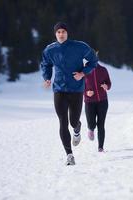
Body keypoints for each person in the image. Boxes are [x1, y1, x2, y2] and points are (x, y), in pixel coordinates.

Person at [40, 22, 98, 165]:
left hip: (76, 89)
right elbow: (45, 64)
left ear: (67, 33)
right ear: (55, 34)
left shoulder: (80, 46)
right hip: (59, 90)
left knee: (73, 121)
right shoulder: (50, 50)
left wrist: (83, 73)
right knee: (62, 122)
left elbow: (93, 61)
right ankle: (69, 155)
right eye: (58, 32)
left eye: (63, 31)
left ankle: (77, 128)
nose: (61, 34)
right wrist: (47, 78)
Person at [84, 58, 111, 152]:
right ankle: (91, 129)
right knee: (91, 123)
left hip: (102, 101)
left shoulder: (103, 70)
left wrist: (106, 86)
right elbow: (79, 86)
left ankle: (100, 147)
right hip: (89, 102)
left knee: (101, 124)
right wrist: (86, 93)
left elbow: (109, 83)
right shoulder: (83, 71)